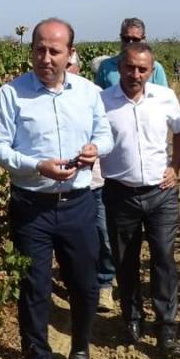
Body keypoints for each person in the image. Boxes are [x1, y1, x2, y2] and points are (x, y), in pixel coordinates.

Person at [0, 18, 113, 359]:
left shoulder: (88, 92)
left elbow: (104, 136)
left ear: (70, 54)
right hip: (31, 207)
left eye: (54, 51)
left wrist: (95, 149)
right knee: (34, 290)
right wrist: (35, 165)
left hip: (78, 204)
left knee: (84, 284)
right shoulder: (11, 94)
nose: (45, 57)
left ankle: (81, 342)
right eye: (39, 49)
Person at [99, 41, 180, 359]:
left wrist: (175, 167)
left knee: (164, 258)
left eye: (142, 69)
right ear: (119, 67)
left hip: (160, 193)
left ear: (152, 71)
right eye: (130, 67)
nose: (135, 74)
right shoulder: (102, 101)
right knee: (125, 259)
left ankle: (167, 327)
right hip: (120, 192)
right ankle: (132, 318)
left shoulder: (163, 97)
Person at [68, 50, 116, 314]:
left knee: (103, 235)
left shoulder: (96, 94)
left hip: (95, 181)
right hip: (63, 185)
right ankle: (81, 282)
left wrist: (96, 148)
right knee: (77, 241)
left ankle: (105, 284)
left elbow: (109, 136)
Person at [94, 18, 169, 89]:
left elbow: (163, 98)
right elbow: (98, 97)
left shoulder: (156, 68)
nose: (130, 43)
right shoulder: (106, 66)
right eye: (126, 39)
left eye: (135, 39)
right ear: (121, 37)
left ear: (143, 39)